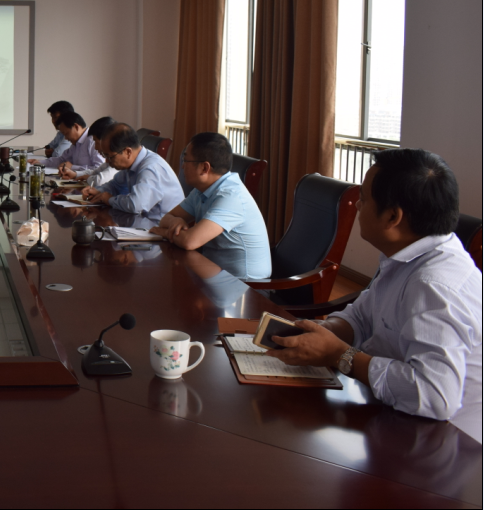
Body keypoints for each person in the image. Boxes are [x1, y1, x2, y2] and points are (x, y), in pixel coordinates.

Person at [267, 149, 481, 443]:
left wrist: (340, 355)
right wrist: (324, 331)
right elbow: (363, 314)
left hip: (444, 443)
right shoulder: (408, 255)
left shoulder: (434, 285)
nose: (357, 205)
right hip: (393, 415)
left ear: (393, 216)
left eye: (364, 198)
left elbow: (435, 396)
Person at [150, 132, 270, 279]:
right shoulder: (202, 190)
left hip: (245, 285)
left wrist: (164, 232)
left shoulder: (231, 197)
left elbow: (189, 241)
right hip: (215, 274)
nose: (182, 166)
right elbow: (166, 219)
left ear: (204, 168)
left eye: (186, 160)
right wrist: (177, 221)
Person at [81, 124, 183, 224]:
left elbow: (135, 205)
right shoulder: (132, 163)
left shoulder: (150, 168)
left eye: (110, 156)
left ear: (128, 152)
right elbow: (115, 185)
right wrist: (98, 191)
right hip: (143, 222)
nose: (107, 161)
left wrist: (109, 199)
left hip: (162, 227)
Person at [31, 112, 104, 171]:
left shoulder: (93, 140)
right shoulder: (76, 143)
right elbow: (61, 160)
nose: (66, 138)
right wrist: (39, 162)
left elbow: (100, 169)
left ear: (76, 127)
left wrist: (73, 167)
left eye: (66, 133)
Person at [59, 116, 117, 188]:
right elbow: (95, 172)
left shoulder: (117, 162)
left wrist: (88, 178)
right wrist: (75, 174)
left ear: (107, 140)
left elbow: (99, 181)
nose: (95, 147)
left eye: (96, 142)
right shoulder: (109, 162)